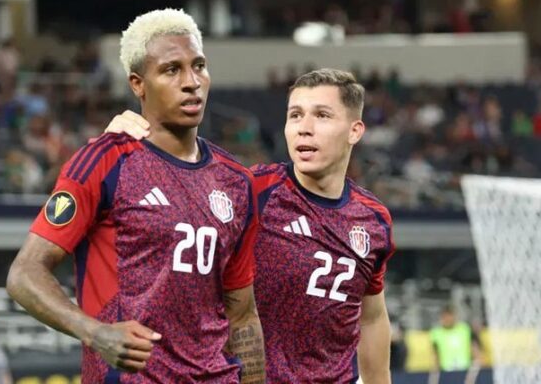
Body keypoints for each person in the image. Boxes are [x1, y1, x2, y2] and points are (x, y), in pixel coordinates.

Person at [7, 9, 265, 384]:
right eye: (171, 70)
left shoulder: (237, 181)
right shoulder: (105, 161)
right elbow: (24, 273)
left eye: (199, 66)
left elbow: (242, 317)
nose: (191, 82)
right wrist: (95, 333)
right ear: (138, 84)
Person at [106, 68, 396, 383]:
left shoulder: (373, 220)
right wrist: (127, 149)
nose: (304, 128)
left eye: (322, 116)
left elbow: (372, 318)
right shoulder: (252, 189)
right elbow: (177, 181)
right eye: (295, 115)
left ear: (354, 131)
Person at [430, 305, 482, 372]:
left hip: (465, 369)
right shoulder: (436, 333)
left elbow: (474, 347)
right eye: (445, 317)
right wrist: (436, 367)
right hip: (445, 370)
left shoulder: (465, 329)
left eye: (450, 316)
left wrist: (477, 363)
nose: (448, 319)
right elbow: (435, 353)